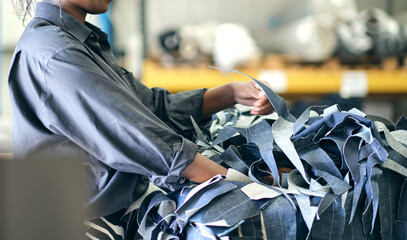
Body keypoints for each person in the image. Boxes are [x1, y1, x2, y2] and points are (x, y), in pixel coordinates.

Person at [8, 0, 273, 237]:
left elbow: (151, 109)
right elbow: (141, 138)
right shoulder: (56, 54)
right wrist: (244, 186)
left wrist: (229, 93)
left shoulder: (76, 41)